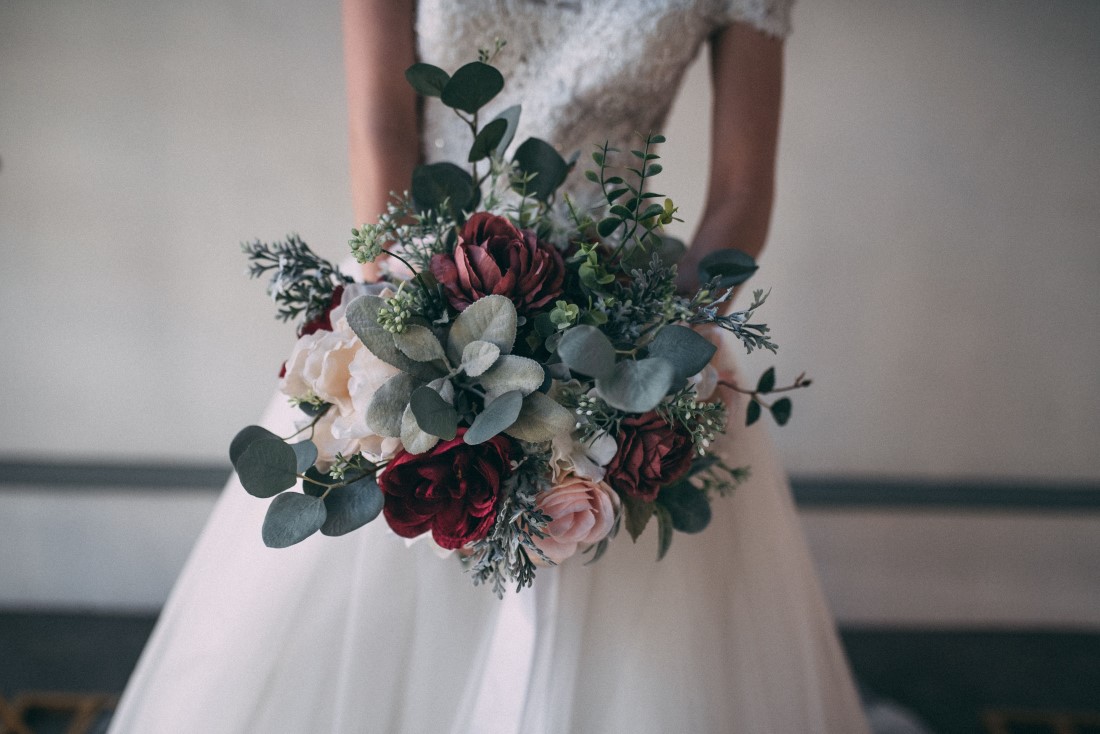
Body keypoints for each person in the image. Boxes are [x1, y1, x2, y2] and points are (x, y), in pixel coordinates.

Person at [110, 1, 871, 732]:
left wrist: (653, 357)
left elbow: (741, 191)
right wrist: (418, 345)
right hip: (419, 300)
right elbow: (382, 138)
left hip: (630, 336)